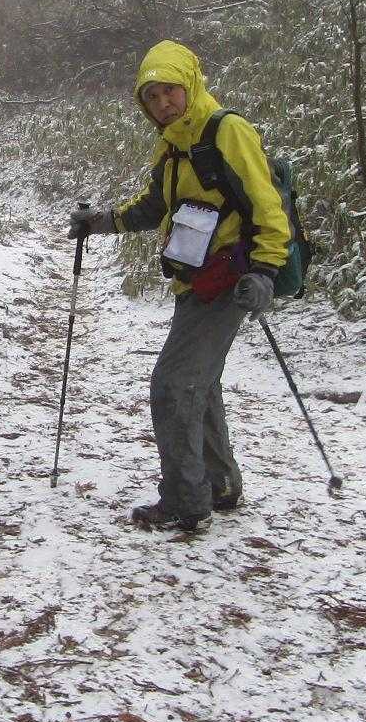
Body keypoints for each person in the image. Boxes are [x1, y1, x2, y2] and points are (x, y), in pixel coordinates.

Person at [69, 40, 291, 533]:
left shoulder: (227, 131)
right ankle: (219, 483)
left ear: (189, 84)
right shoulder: (172, 143)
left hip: (228, 280)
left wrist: (265, 271)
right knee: (198, 383)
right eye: (151, 97)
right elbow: (156, 205)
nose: (162, 103)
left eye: (169, 90)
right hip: (195, 281)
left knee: (173, 386)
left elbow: (267, 206)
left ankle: (187, 501)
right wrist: (102, 222)